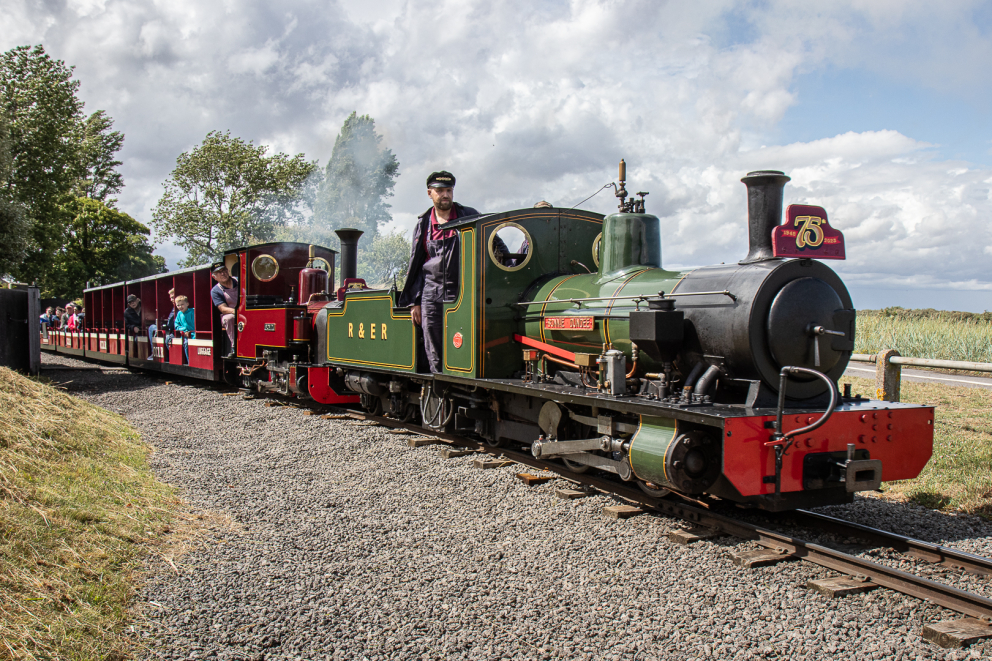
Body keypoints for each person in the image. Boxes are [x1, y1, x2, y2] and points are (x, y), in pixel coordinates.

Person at [398, 170, 479, 373]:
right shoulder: (423, 223)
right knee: (433, 346)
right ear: (430, 193)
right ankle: (439, 388)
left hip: (463, 290)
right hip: (431, 292)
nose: (445, 195)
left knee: (464, 343)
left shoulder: (469, 215)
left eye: (449, 190)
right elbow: (415, 264)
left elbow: (495, 242)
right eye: (441, 191)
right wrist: (415, 301)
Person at [210, 264, 239, 358]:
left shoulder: (240, 280)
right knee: (229, 318)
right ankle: (235, 346)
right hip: (233, 313)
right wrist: (237, 312)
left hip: (248, 310)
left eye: (224, 270)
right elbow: (223, 308)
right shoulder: (215, 291)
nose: (223, 273)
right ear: (214, 277)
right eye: (219, 272)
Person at [148, 288, 176, 360]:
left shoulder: (179, 307)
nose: (171, 300)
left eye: (172, 297)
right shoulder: (173, 307)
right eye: (170, 298)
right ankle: (153, 352)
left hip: (172, 331)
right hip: (168, 328)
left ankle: (169, 358)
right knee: (152, 327)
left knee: (166, 338)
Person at [172, 295, 195, 364]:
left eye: (182, 304)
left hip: (193, 334)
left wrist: (190, 332)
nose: (180, 307)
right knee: (185, 343)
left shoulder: (192, 312)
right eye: (178, 305)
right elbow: (176, 325)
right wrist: (184, 330)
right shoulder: (179, 314)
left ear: (187, 304)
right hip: (184, 334)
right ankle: (189, 362)